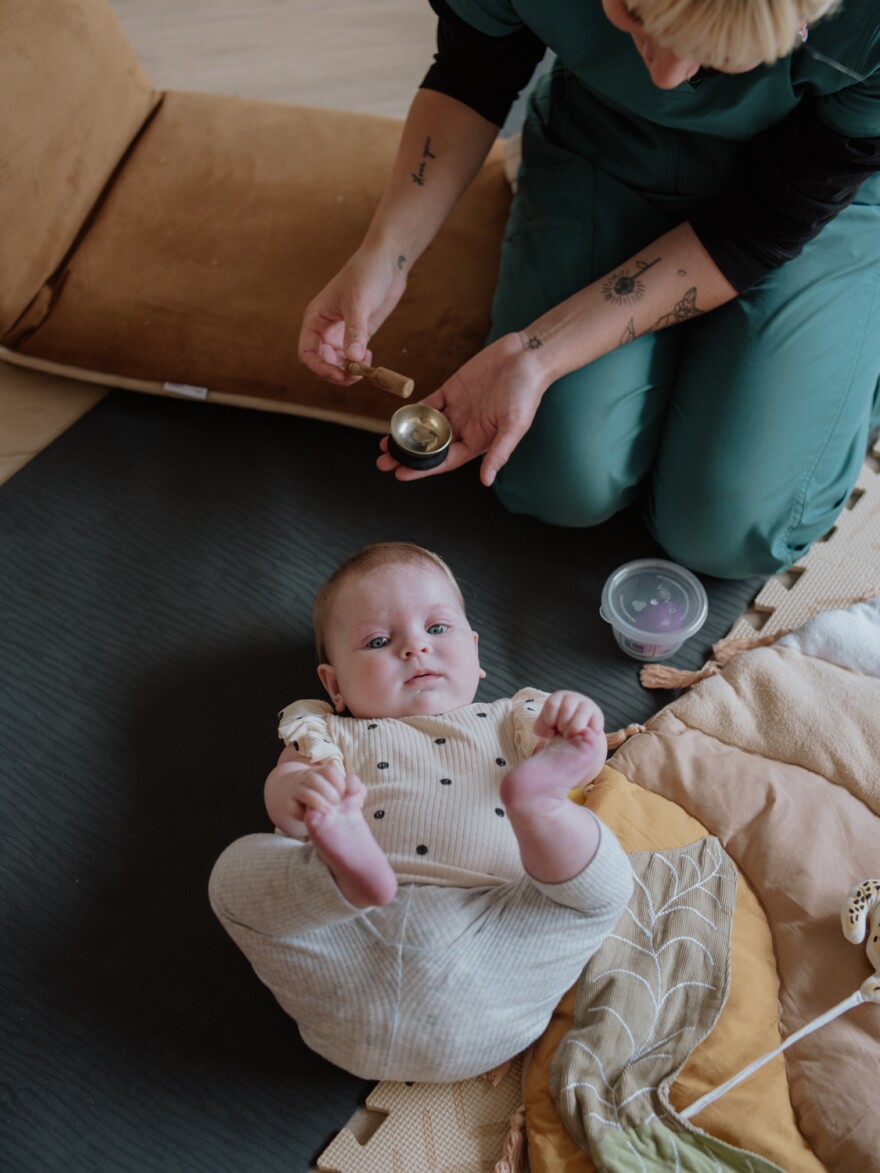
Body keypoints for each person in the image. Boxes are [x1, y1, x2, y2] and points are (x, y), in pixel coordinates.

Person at [298, 0, 880, 580]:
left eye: (721, 57)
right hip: (614, 141)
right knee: (552, 476)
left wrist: (545, 349)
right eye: (635, 15)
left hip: (814, 203)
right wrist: (385, 255)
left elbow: (757, 229)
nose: (667, 77)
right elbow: (471, 74)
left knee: (728, 534)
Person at [209, 542, 633, 1083]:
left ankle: (540, 802)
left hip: (498, 938)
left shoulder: (511, 719)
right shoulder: (330, 733)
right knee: (237, 872)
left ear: (476, 654)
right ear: (334, 685)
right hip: (344, 946)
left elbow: (580, 758)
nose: (415, 649)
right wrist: (304, 792)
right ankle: (345, 876)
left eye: (437, 629)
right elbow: (285, 791)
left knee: (603, 882)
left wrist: (578, 737)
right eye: (379, 641)